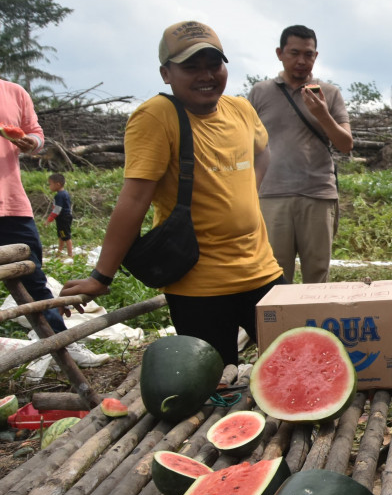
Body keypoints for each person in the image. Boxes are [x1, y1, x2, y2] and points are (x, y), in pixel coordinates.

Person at [61, 21, 284, 366]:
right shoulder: (156, 116)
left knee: (293, 365)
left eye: (214, 64)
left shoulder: (240, 109)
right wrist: (100, 276)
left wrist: (247, 196)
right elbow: (134, 200)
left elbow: (263, 151)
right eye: (191, 67)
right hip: (199, 286)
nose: (206, 75)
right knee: (215, 385)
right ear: (166, 74)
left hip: (262, 272)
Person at [248, 25, 353, 283]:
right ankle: (279, 325)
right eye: (294, 53)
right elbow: (244, 144)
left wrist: (322, 115)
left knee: (317, 275)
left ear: (316, 56)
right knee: (274, 276)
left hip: (317, 194)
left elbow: (346, 144)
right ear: (279, 53)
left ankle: (313, 324)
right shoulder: (260, 92)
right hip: (271, 195)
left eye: (308, 54)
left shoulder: (329, 93)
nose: (301, 61)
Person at [0, 78, 67, 332]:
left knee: (35, 280)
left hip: (11, 205)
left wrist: (31, 142)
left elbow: (35, 133)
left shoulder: (14, 92)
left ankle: (60, 342)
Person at [45, 173, 73, 258]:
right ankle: (59, 252)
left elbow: (57, 209)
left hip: (63, 218)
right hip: (64, 217)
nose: (49, 186)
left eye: (50, 184)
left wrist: (49, 220)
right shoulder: (64, 193)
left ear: (57, 184)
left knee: (66, 236)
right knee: (61, 235)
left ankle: (70, 254)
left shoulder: (59, 195)